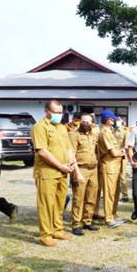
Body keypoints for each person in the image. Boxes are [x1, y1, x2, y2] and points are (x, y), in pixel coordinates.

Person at [31, 99, 80, 247]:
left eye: (61, 112)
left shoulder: (61, 127)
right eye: (56, 112)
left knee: (59, 202)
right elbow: (42, 151)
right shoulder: (39, 127)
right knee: (46, 204)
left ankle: (57, 230)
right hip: (47, 172)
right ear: (47, 111)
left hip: (63, 172)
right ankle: (45, 235)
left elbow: (68, 149)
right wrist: (60, 166)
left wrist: (71, 165)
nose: (59, 115)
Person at [69, 114, 100, 235]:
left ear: (92, 123)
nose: (85, 124)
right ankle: (76, 224)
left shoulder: (94, 134)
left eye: (88, 122)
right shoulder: (74, 135)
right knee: (78, 198)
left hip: (93, 169)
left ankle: (87, 221)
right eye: (83, 121)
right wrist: (77, 173)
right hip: (80, 169)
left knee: (91, 197)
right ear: (80, 122)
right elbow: (71, 154)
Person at [98, 111, 128, 228]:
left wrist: (120, 152)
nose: (114, 121)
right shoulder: (104, 133)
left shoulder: (109, 131)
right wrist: (123, 152)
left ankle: (113, 214)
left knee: (116, 192)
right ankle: (109, 218)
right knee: (109, 193)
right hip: (109, 165)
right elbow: (114, 153)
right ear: (108, 120)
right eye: (112, 119)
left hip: (115, 166)